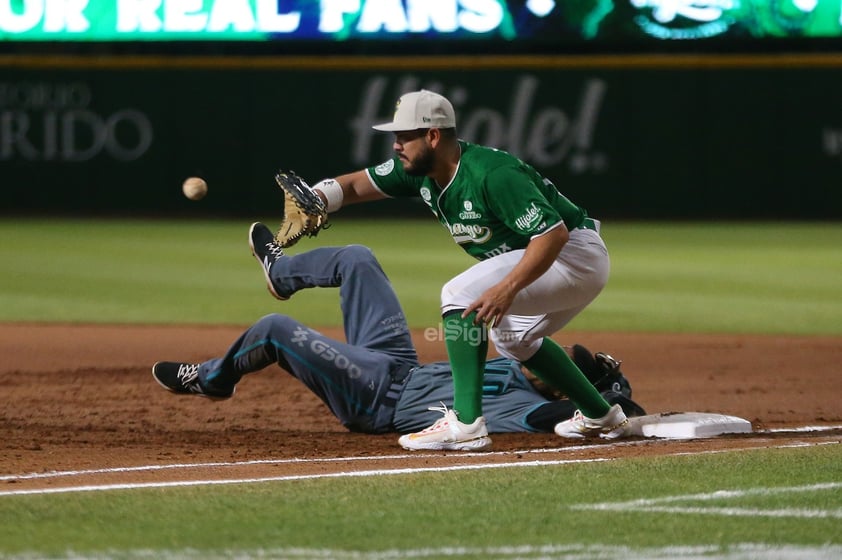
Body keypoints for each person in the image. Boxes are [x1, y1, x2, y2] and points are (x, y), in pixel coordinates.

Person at [250, 89, 626, 450]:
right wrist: (317, 198)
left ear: (432, 136)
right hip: (555, 261)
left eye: (404, 137)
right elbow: (355, 186)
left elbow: (552, 234)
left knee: (458, 296)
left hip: (572, 257)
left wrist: (508, 288)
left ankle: (465, 426)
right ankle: (601, 415)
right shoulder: (417, 170)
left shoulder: (492, 174)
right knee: (514, 340)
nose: (396, 145)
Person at [152, 243, 645, 447]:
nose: (555, 357)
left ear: (570, 394)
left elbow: (575, 423)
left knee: (276, 330)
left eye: (574, 371)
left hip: (378, 399)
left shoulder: (530, 408)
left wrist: (615, 409)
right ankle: (280, 273)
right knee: (358, 259)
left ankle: (214, 380)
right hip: (395, 364)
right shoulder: (519, 360)